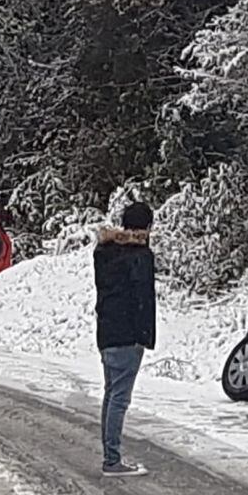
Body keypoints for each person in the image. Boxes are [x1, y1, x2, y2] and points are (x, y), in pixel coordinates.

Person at [94, 202, 156, 477]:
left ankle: (110, 454)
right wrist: (145, 337)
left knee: (111, 395)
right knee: (120, 398)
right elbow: (143, 299)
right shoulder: (140, 256)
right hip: (128, 335)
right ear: (147, 227)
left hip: (107, 332)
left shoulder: (104, 253)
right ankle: (112, 459)